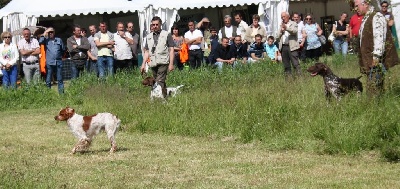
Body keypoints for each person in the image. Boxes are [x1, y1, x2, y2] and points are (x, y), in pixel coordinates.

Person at [355, 0, 398, 96]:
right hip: (369, 59)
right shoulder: (366, 17)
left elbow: (379, 37)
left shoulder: (376, 16)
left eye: (357, 6)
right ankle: (379, 104)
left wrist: (376, 56)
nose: (355, 9)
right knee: (376, 87)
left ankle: (373, 107)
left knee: (372, 89)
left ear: (365, 4)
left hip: (374, 60)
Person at [140, 16, 174, 97]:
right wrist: (143, 64)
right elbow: (147, 51)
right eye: (153, 25)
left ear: (160, 24)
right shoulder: (148, 37)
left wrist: (171, 64)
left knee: (159, 81)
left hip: (163, 61)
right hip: (153, 62)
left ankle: (159, 100)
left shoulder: (167, 34)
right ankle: (166, 96)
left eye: (157, 24)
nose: (155, 26)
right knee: (156, 82)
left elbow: (171, 49)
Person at [39, 27, 65, 94]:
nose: (51, 33)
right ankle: (48, 94)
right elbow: (40, 41)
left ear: (54, 32)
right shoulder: (46, 40)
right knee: (48, 80)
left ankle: (61, 94)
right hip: (49, 63)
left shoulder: (59, 40)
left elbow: (63, 50)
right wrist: (45, 32)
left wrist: (59, 56)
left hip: (58, 62)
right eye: (49, 32)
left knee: (60, 79)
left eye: (52, 32)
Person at [277, 12, 301, 76]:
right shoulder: (281, 25)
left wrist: (286, 28)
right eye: (282, 17)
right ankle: (289, 80)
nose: (283, 18)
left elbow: (294, 31)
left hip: (292, 47)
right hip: (284, 47)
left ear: (288, 16)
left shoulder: (293, 23)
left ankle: (300, 79)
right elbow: (277, 37)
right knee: (286, 65)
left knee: (295, 64)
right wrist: (281, 31)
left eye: (284, 16)